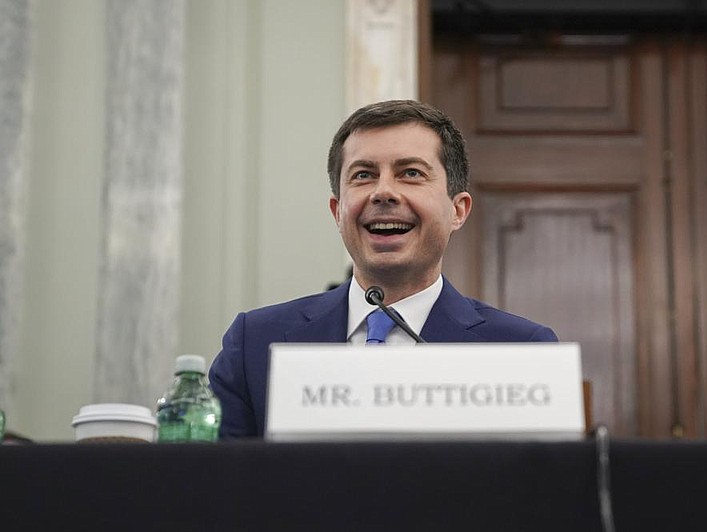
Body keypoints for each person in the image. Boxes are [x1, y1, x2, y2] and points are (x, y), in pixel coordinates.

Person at [209, 100, 557, 438]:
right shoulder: (254, 342)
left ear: (458, 210)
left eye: (411, 173)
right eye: (364, 175)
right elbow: (215, 485)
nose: (383, 192)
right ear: (337, 211)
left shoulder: (520, 350)